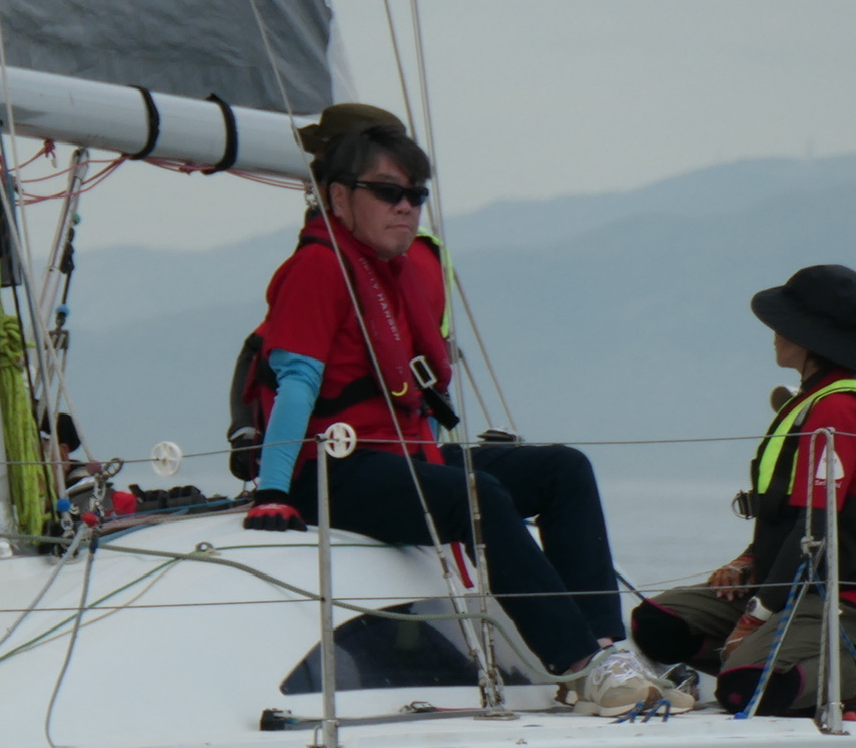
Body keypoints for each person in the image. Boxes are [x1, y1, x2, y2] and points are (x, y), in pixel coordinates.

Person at [234, 106, 633, 692]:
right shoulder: (318, 268)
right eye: (387, 192)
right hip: (330, 471)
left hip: (399, 457)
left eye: (415, 195)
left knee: (563, 470)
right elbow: (296, 381)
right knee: (476, 494)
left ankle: (608, 650)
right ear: (339, 196)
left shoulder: (387, 269)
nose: (405, 207)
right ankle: (577, 665)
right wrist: (272, 494)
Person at [629, 266, 856, 715]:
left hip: (843, 600)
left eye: (784, 323)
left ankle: (853, 671)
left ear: (809, 335)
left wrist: (756, 614)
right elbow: (793, 514)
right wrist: (748, 560)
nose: (775, 333)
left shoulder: (840, 409)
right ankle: (761, 655)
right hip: (790, 587)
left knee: (745, 690)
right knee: (657, 624)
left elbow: (816, 526)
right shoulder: (814, 399)